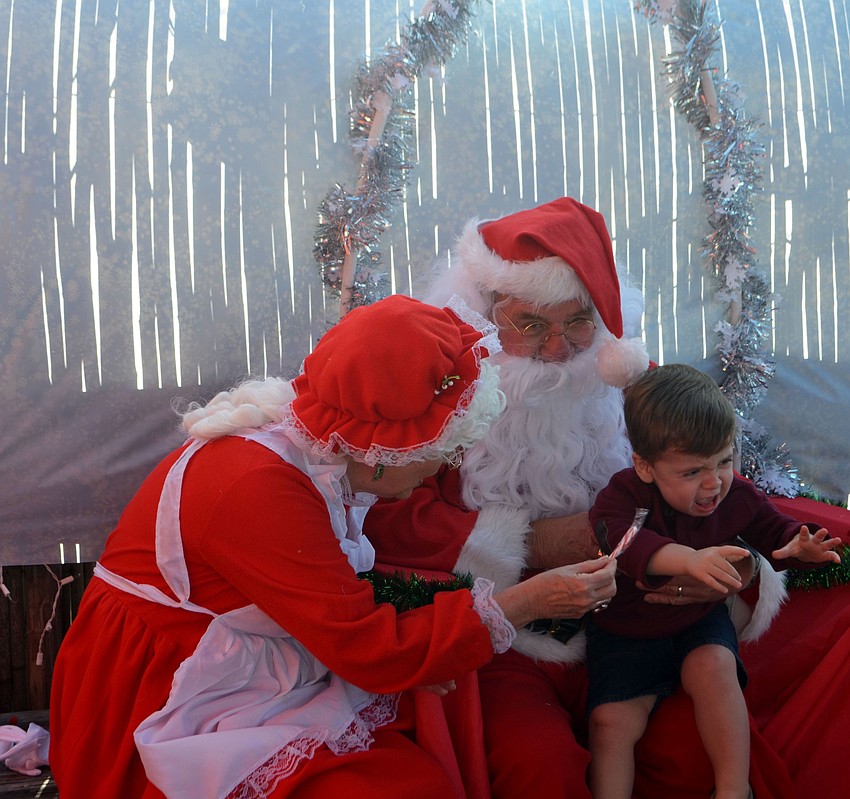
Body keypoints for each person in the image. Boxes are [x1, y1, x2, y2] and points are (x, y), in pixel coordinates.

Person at [48, 293, 618, 799]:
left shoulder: (316, 456)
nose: (442, 466)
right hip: (175, 685)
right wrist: (523, 603)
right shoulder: (258, 485)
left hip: (267, 653)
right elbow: (365, 645)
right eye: (440, 447)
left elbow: (339, 602)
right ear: (384, 447)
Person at [362, 197, 795, 799]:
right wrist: (527, 542)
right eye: (532, 324)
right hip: (504, 636)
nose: (560, 348)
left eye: (580, 321)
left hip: (637, 621)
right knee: (538, 768)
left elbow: (704, 470)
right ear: (485, 318)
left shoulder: (629, 382)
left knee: (702, 755)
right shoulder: (436, 394)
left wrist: (719, 563)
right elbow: (383, 516)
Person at [586, 363, 841, 799]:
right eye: (691, 472)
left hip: (697, 620)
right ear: (645, 466)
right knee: (611, 723)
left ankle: (733, 788)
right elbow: (622, 541)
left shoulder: (736, 494)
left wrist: (799, 549)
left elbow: (772, 529)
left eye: (724, 461)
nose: (713, 483)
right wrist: (687, 559)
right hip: (626, 630)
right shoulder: (623, 495)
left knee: (715, 667)